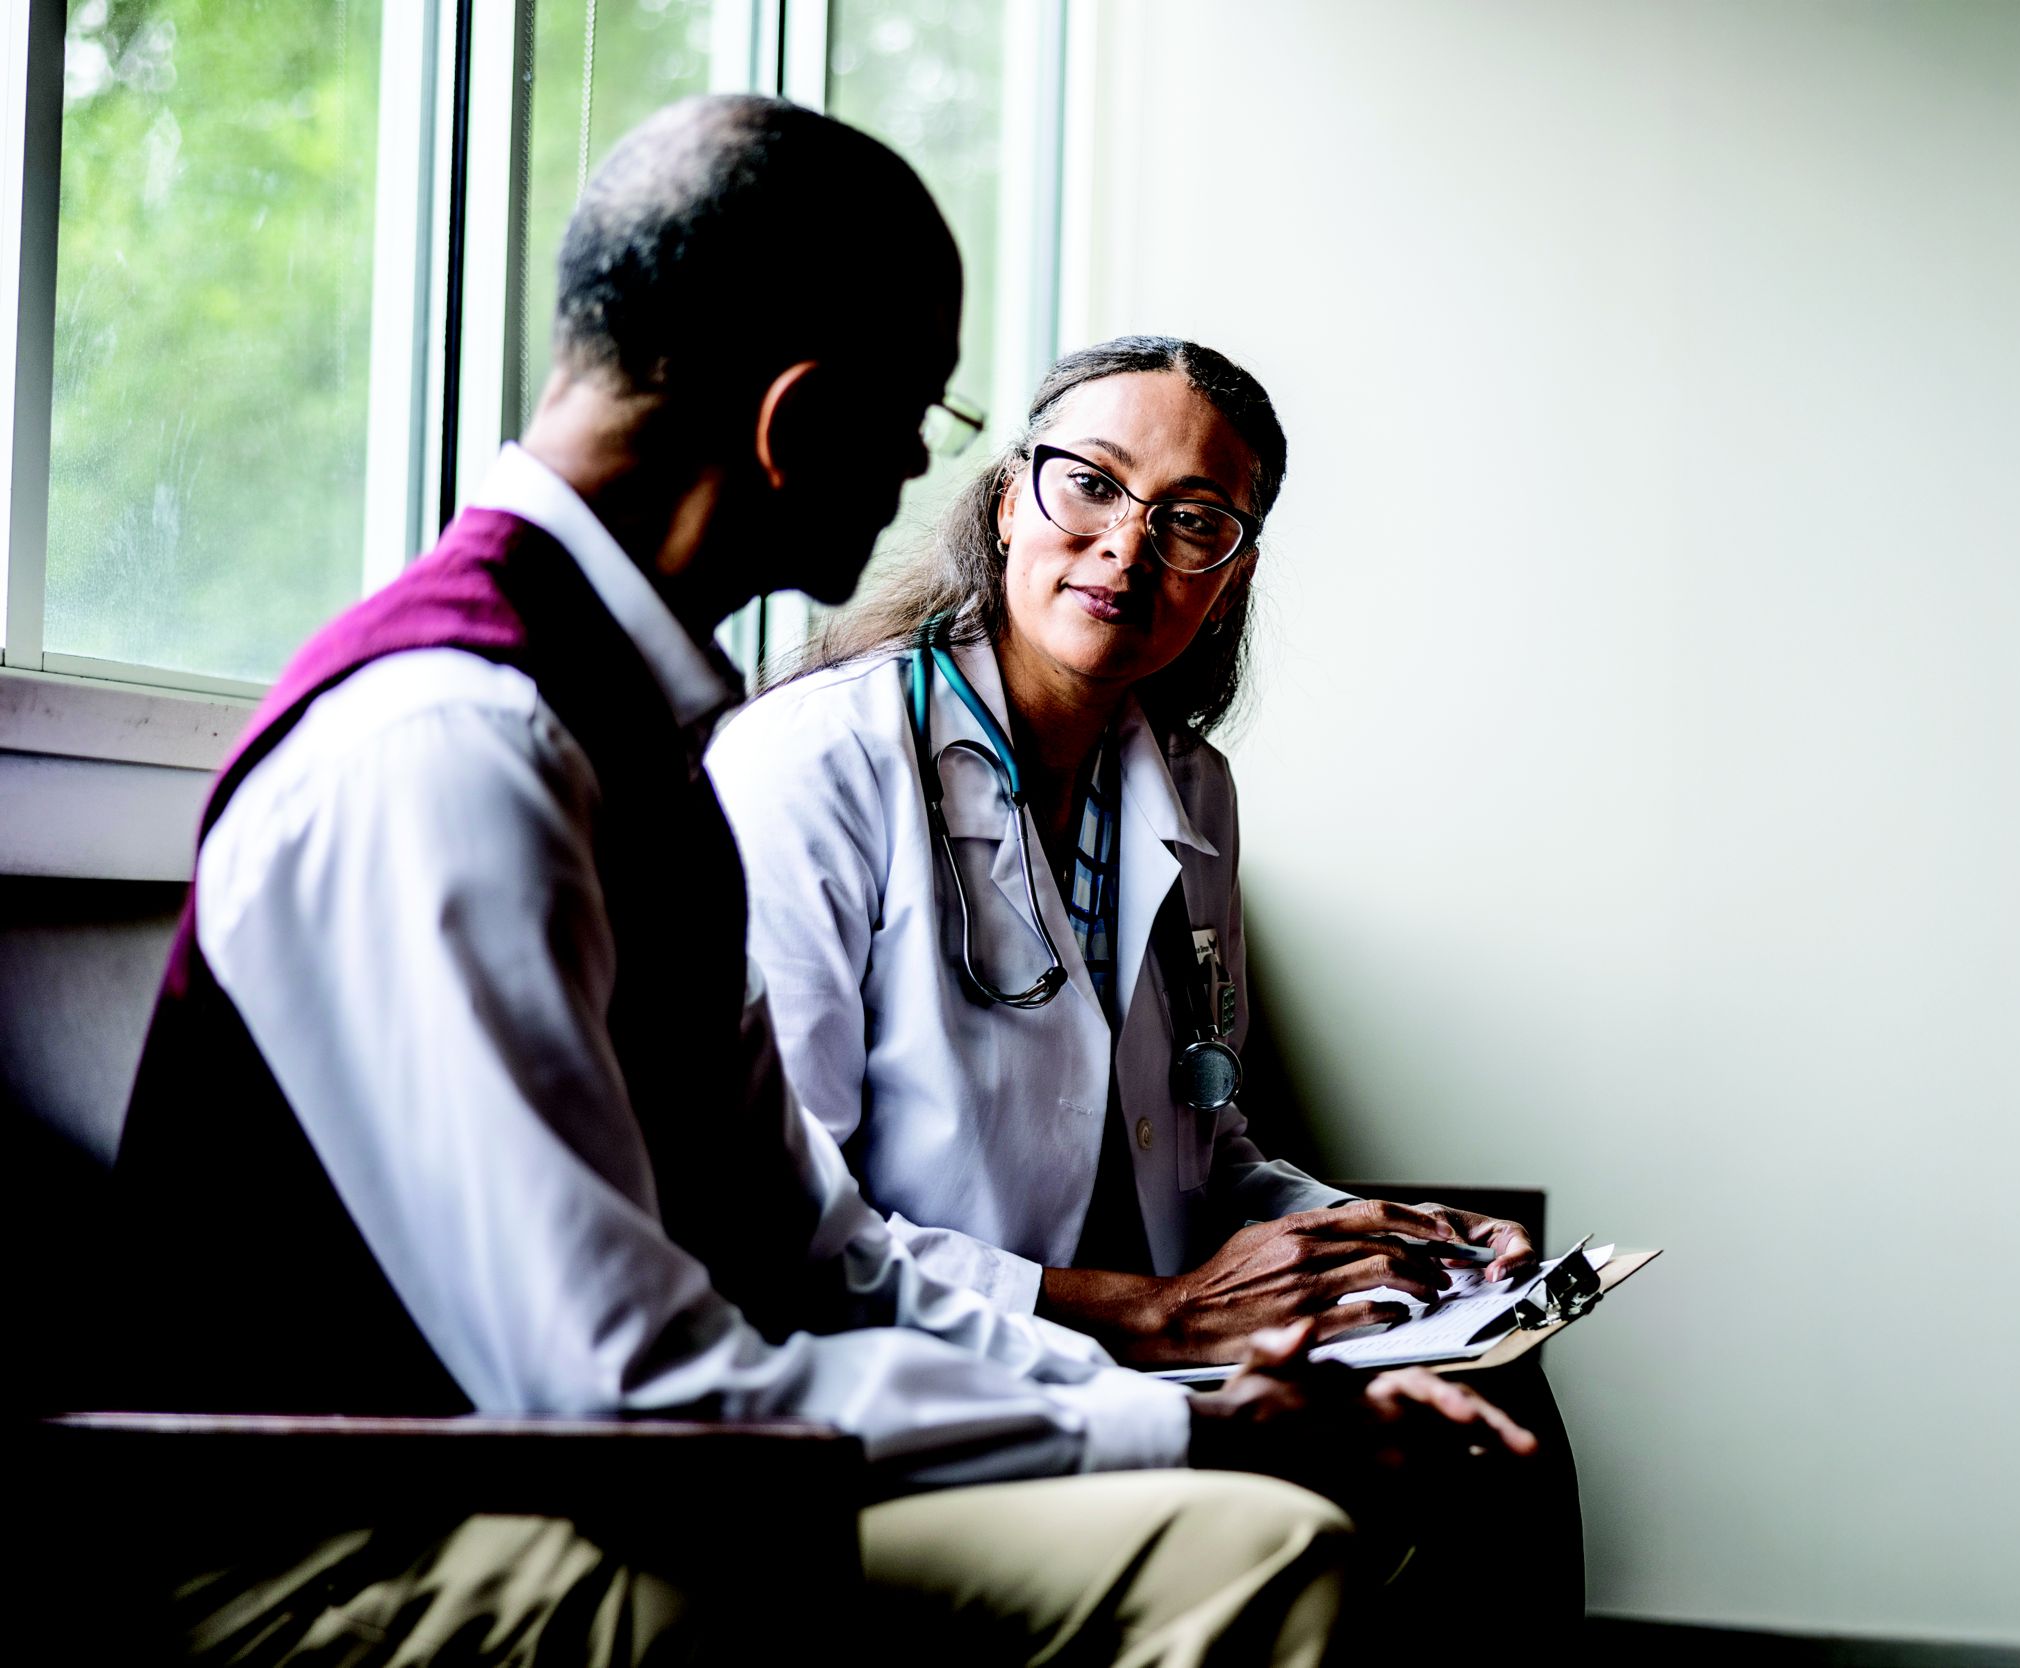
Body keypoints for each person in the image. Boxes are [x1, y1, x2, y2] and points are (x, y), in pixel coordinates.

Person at [101, 101, 1530, 1665]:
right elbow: (622, 1395)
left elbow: (815, 1253)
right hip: (347, 1534)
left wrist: (1191, 1401)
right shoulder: (458, 747)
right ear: (802, 417)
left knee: (1300, 1516)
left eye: (1193, 523)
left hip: (586, 1465)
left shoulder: (634, 736)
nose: (927, 461)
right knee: (1255, 1555)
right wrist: (1167, 1426)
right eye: (920, 409)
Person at [706, 336, 1583, 1614]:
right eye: (1091, 484)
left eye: (1194, 520)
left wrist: (1376, 1244)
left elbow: (1201, 1145)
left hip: (1145, 1355)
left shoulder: (1189, 792)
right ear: (1008, 503)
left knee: (1501, 1419)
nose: (1127, 545)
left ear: (1231, 575)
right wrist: (1143, 1312)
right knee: (1339, 1514)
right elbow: (777, 1230)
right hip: (926, 1380)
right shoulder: (816, 762)